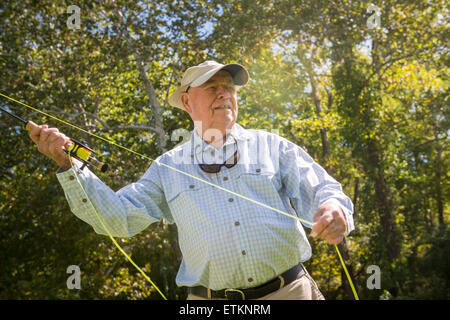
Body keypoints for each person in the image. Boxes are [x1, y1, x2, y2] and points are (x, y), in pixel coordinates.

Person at [26, 60, 354, 300]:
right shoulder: (167, 167)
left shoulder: (272, 145)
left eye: (229, 87)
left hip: (290, 293)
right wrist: (69, 165)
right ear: (186, 101)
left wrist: (333, 207)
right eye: (212, 87)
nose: (224, 93)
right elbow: (120, 219)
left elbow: (323, 188)